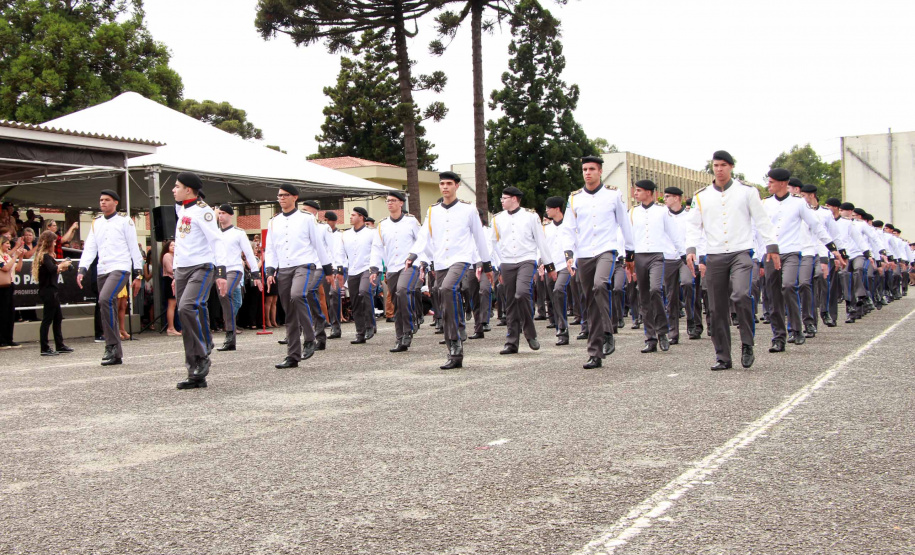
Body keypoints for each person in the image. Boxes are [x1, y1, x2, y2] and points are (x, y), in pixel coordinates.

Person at [685, 151, 779, 371]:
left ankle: (747, 343)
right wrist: (691, 249)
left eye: (724, 165)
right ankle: (723, 356)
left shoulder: (747, 192)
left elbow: (762, 220)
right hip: (715, 255)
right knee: (716, 308)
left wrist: (771, 246)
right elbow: (692, 226)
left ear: (731, 167)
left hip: (740, 252)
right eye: (716, 165)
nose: (719, 169)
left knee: (740, 294)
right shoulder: (702, 195)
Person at [407, 171, 494, 369]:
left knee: (446, 289)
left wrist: (486, 264)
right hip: (441, 261)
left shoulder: (468, 210)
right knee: (442, 296)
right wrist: (413, 254)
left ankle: (455, 344)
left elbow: (480, 237)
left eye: (449, 183)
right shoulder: (433, 210)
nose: (445, 187)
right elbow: (423, 235)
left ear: (457, 186)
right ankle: (454, 344)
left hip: (461, 258)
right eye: (442, 184)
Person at [560, 156, 635, 369]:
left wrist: (630, 253)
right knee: (590, 302)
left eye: (591, 169)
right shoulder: (575, 198)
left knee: (601, 284)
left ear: (600, 171)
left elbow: (624, 223)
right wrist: (568, 254)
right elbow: (567, 228)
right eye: (584, 169)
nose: (587, 173)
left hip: (606, 250)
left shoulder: (613, 195)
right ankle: (595, 353)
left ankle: (608, 331)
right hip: (584, 254)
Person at [761, 169, 840, 351]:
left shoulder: (798, 204)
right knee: (773, 296)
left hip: (791, 252)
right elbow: (758, 230)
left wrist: (833, 249)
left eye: (771, 182)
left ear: (782, 183)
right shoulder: (765, 204)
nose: (768, 185)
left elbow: (816, 226)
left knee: (788, 285)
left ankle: (796, 329)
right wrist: (759, 256)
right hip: (771, 254)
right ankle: (778, 337)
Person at [264, 184, 334, 369]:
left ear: (295, 197)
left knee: (298, 295)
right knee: (289, 312)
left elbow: (318, 244)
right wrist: (270, 270)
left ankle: (310, 337)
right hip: (284, 268)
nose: (281, 198)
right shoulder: (274, 221)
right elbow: (270, 248)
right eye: (279, 195)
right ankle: (293, 355)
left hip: (304, 264)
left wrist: (328, 270)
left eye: (285, 195)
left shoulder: (307, 218)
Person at [170, 172, 228, 388]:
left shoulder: (204, 212)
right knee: (185, 316)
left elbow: (216, 241)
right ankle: (195, 373)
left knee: (187, 307)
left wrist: (221, 273)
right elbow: (182, 242)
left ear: (189, 189)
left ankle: (203, 353)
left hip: (201, 267)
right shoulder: (182, 208)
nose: (173, 190)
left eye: (177, 186)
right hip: (182, 269)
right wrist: (175, 273)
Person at [77, 190, 145, 366]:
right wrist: (82, 268)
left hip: (120, 267)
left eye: (107, 200)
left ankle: (111, 345)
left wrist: (138, 274)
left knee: (105, 299)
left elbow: (133, 247)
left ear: (115, 202)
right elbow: (90, 248)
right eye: (101, 200)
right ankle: (115, 352)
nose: (103, 203)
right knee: (108, 306)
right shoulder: (96, 223)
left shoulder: (125, 221)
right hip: (102, 269)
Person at [491, 186, 555, 355]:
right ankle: (511, 341)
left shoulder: (530, 216)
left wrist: (549, 266)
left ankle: (530, 332)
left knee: (522, 293)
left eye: (504, 198)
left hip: (526, 259)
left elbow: (541, 241)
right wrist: (498, 266)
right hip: (506, 262)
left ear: (514, 199)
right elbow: (493, 243)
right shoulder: (497, 219)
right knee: (510, 301)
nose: (502, 201)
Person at [629, 179, 684, 353]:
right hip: (639, 256)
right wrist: (626, 257)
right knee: (643, 297)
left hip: (657, 256)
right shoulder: (633, 212)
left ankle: (663, 332)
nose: (636, 193)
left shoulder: (662, 212)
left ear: (649, 192)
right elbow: (627, 236)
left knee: (655, 290)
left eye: (639, 190)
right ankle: (650, 337)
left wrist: (683, 253)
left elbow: (674, 233)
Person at [369, 191, 422, 352]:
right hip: (392, 268)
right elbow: (377, 247)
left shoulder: (411, 221)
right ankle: (401, 337)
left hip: (409, 265)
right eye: (387, 201)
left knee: (402, 291)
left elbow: (422, 241)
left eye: (393, 200)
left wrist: (423, 263)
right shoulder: (383, 224)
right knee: (397, 303)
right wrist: (374, 269)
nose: (390, 203)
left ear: (401, 203)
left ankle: (409, 326)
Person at [212, 204, 262, 351]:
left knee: (225, 293)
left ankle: (229, 332)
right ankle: (229, 332)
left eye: (223, 213)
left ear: (230, 215)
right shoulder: (214, 232)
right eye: (219, 213)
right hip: (218, 270)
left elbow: (248, 253)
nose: (220, 216)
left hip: (234, 268)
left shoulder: (238, 233)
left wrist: (255, 273)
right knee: (222, 298)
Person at [337, 207, 376, 344]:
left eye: (353, 215)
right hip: (352, 270)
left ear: (361, 217)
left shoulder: (371, 233)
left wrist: (375, 269)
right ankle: (360, 332)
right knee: (355, 302)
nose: (350, 217)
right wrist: (340, 270)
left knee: (364, 292)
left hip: (367, 268)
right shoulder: (346, 234)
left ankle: (370, 325)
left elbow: (377, 251)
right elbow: (341, 253)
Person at [34, 231, 74, 355]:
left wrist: (63, 266)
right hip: (48, 290)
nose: (55, 243)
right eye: (54, 241)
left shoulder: (49, 256)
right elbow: (53, 269)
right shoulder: (44, 256)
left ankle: (59, 344)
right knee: (47, 319)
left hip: (52, 290)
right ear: (49, 242)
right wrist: (62, 264)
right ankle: (44, 348)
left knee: (57, 318)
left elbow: (54, 269)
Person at [543, 197, 572, 345]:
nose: (546, 210)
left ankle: (563, 329)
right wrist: (542, 263)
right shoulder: (546, 228)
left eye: (549, 208)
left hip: (566, 265)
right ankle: (559, 326)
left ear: (557, 209)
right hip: (551, 266)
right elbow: (542, 248)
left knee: (559, 290)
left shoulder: (569, 225)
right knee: (553, 297)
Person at [0, 235, 25, 349]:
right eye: (7, 244)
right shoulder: (1, 257)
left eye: (9, 244)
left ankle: (9, 338)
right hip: (1, 287)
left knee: (10, 313)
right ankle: (1, 340)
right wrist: (15, 256)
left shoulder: (6, 256)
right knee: (2, 313)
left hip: (10, 285)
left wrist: (20, 258)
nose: (9, 246)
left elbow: (17, 268)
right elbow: (5, 268)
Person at [160, 240, 181, 335]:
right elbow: (169, 269)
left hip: (175, 279)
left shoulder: (175, 256)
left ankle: (176, 326)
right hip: (169, 279)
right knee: (171, 305)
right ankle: (170, 327)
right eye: (171, 245)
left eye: (175, 245)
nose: (173, 247)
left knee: (175, 305)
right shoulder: (167, 256)